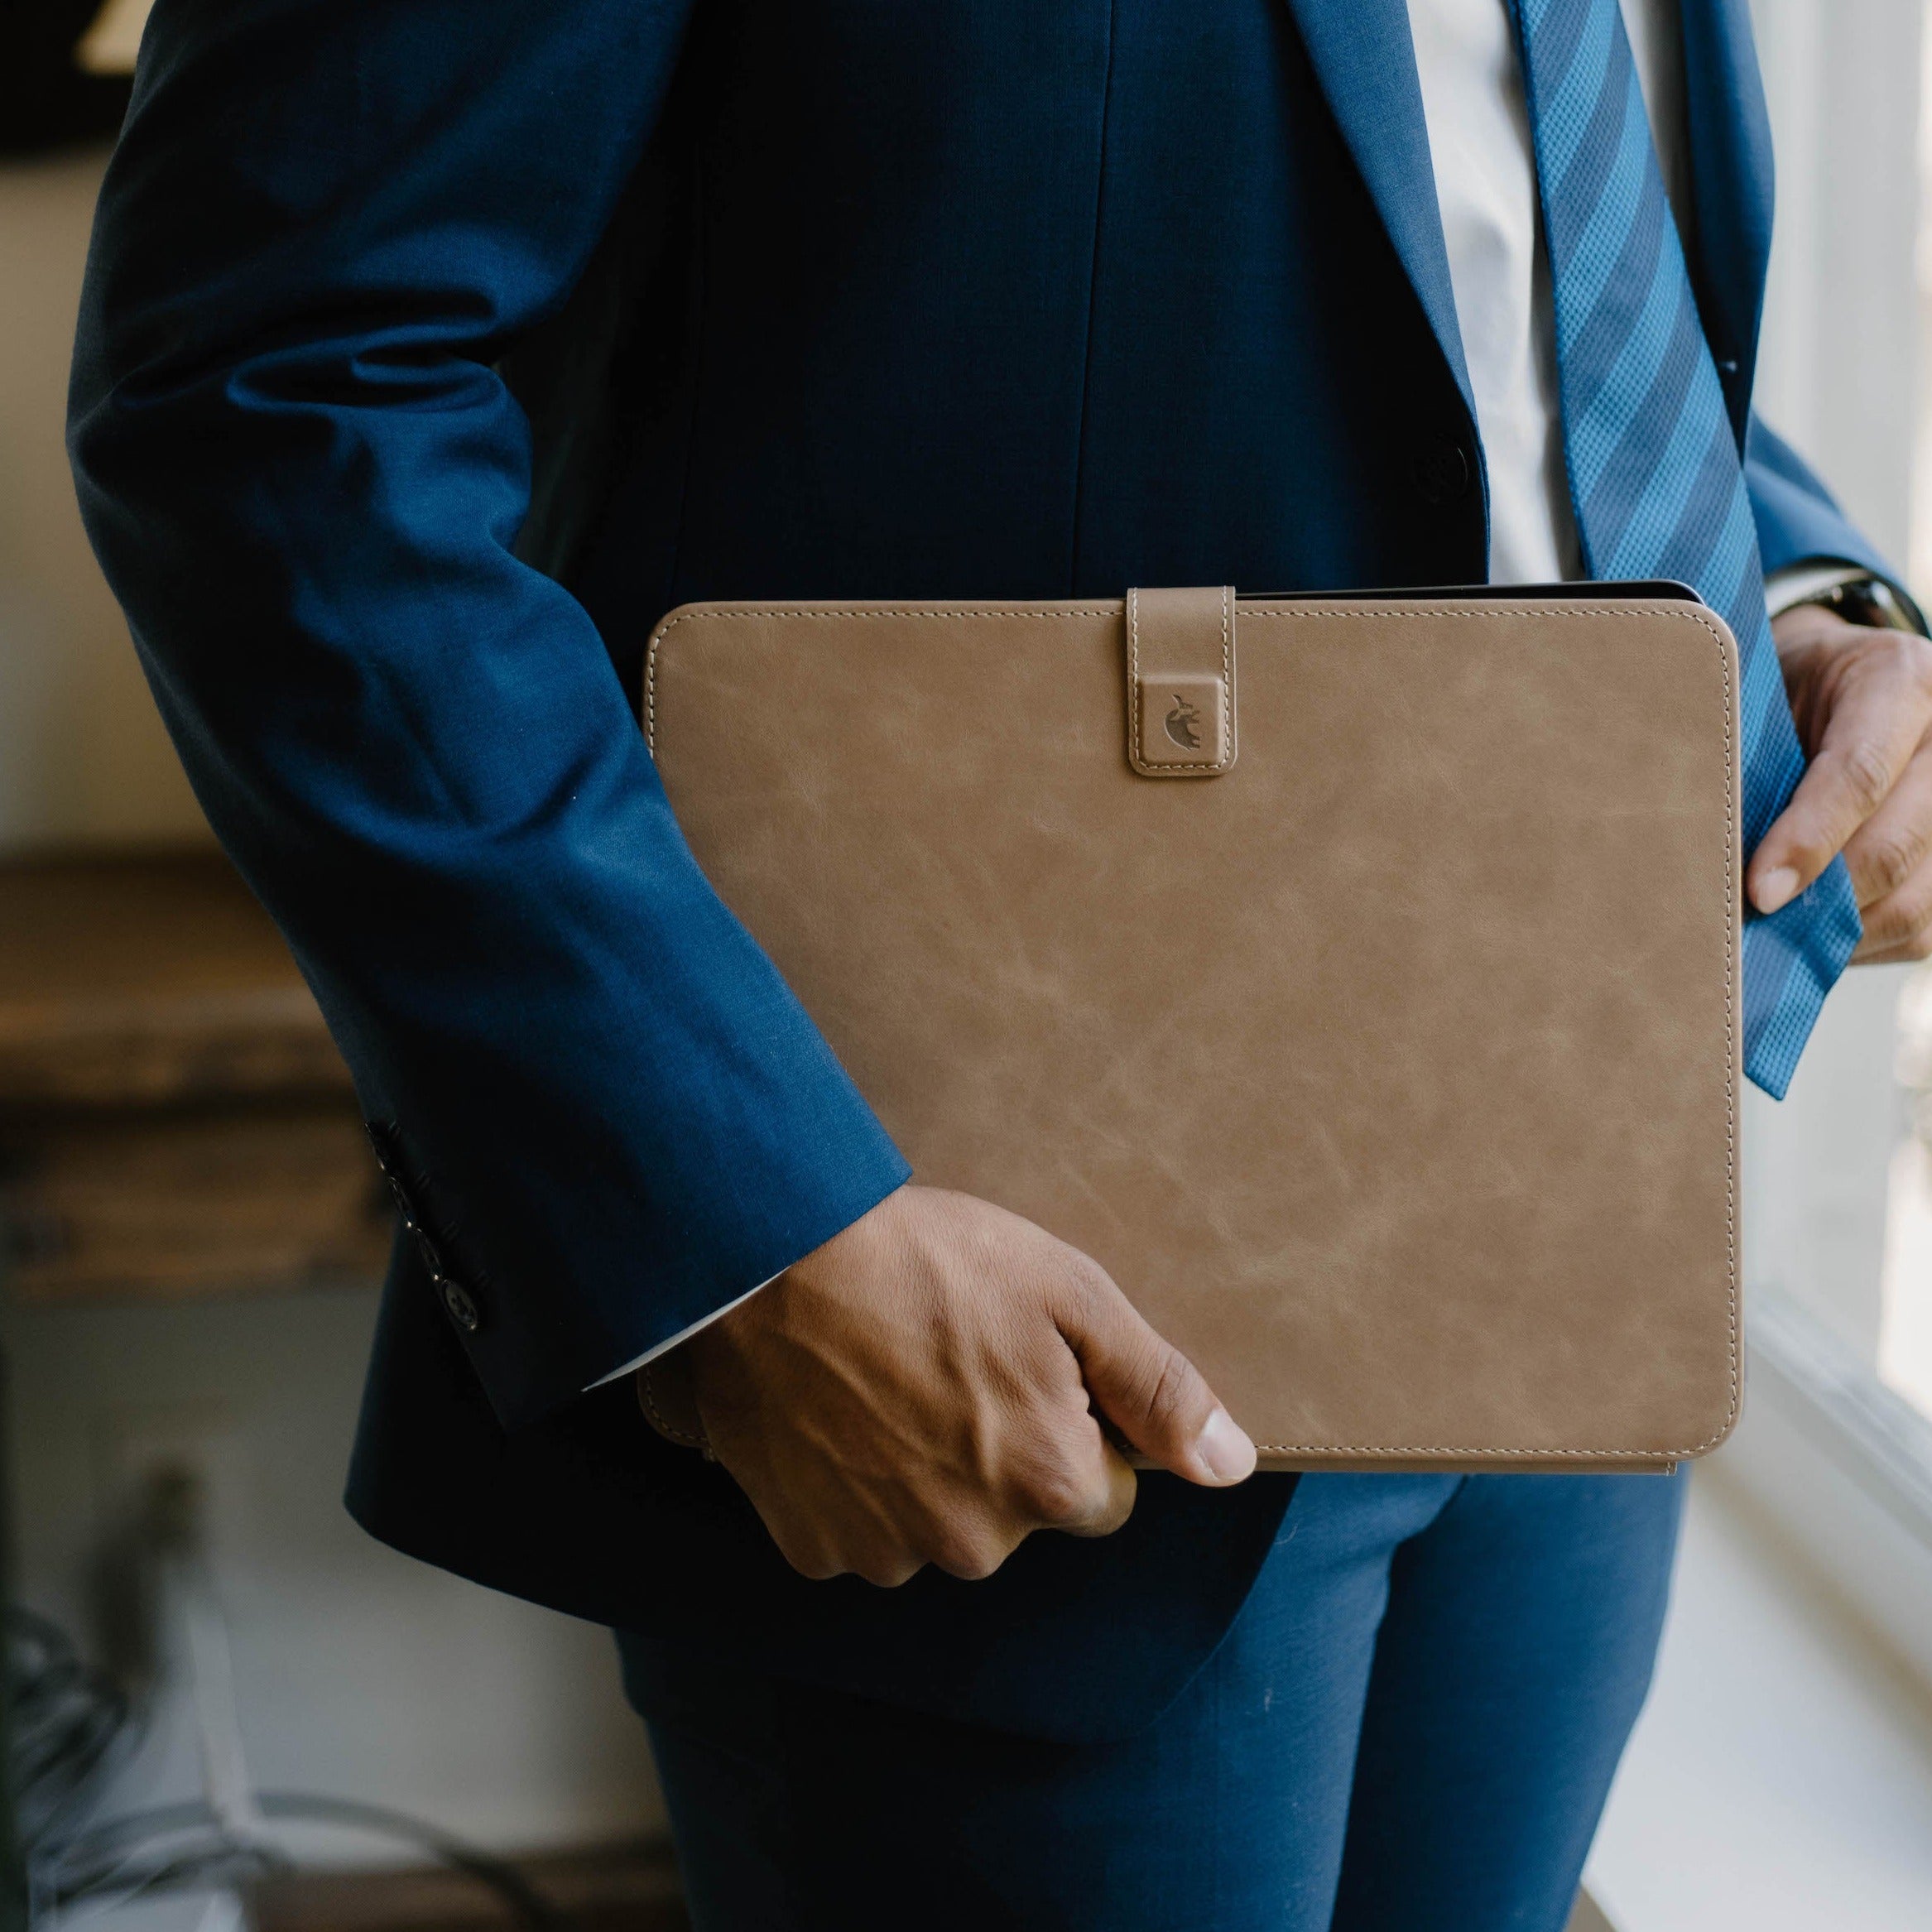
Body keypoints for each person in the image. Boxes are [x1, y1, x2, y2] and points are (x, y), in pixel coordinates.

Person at [67, 0, 1932, 1925]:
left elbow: (1529, 238)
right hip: (1001, 1298)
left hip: (1583, 1224)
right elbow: (268, 393)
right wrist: (748, 1237)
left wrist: (1798, 596)